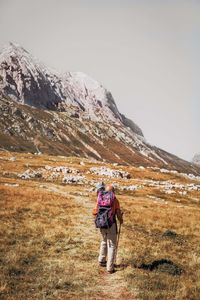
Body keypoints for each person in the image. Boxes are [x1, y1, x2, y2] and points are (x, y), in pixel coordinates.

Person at [93, 183, 123, 273]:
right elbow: (118, 214)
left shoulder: (100, 198)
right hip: (111, 224)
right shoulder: (115, 200)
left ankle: (101, 260)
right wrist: (121, 219)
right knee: (112, 245)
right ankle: (110, 267)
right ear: (113, 191)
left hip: (102, 223)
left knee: (103, 241)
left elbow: (95, 211)